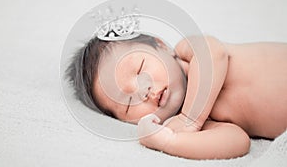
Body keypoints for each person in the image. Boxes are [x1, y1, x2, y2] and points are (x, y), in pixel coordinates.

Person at [66, 27, 287, 160]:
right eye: (129, 103)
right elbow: (238, 141)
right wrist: (170, 141)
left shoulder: (188, 51)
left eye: (141, 69)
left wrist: (190, 118)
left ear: (161, 46)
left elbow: (214, 54)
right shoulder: (202, 121)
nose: (145, 92)